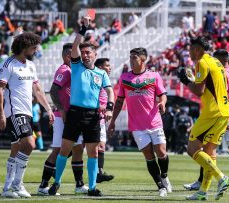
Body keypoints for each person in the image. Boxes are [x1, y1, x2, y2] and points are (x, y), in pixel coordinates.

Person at [48, 16, 114, 197]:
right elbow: (76, 43)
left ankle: (92, 188)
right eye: (82, 52)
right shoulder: (76, 66)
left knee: (92, 153)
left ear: (95, 55)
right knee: (64, 150)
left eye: (88, 53)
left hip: (93, 115)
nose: (85, 55)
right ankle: (57, 183)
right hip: (75, 113)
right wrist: (83, 29)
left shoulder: (101, 73)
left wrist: (109, 108)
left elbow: (110, 92)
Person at [183, 49, 229, 193]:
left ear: (219, 60)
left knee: (206, 150)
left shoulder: (221, 73)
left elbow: (221, 95)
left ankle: (204, 183)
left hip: (222, 116)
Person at [0, 32, 55, 198]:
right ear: (25, 47)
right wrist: (0, 113)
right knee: (29, 143)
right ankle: (17, 184)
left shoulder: (30, 65)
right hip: (14, 112)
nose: (36, 50)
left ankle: (7, 188)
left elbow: (37, 89)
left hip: (27, 112)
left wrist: (48, 109)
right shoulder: (8, 64)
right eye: (34, 47)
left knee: (16, 149)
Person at [108, 47, 172, 197]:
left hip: (154, 122)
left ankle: (164, 176)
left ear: (143, 60)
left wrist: (162, 103)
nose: (131, 60)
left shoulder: (154, 76)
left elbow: (163, 95)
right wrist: (112, 122)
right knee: (149, 156)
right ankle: (160, 187)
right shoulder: (124, 78)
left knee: (161, 152)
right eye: (130, 57)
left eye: (134, 58)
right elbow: (119, 102)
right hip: (137, 126)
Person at [176, 36, 229, 201]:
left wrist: (186, 81)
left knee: (192, 148)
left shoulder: (202, 62)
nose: (189, 53)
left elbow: (199, 91)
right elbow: (212, 86)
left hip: (212, 113)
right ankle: (202, 192)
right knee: (209, 151)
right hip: (224, 111)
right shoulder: (217, 63)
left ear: (197, 49)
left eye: (190, 49)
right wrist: (193, 80)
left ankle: (222, 178)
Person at [37, 43, 89, 195]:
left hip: (74, 117)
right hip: (63, 117)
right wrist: (60, 109)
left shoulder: (73, 70)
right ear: (68, 56)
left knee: (78, 148)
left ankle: (79, 185)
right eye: (75, 55)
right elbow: (53, 90)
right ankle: (43, 186)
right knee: (58, 150)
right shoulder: (64, 70)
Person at [94, 58, 115, 183]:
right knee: (76, 147)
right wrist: (99, 107)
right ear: (100, 68)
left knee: (101, 145)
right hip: (91, 117)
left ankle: (99, 173)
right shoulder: (94, 79)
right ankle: (54, 166)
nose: (110, 68)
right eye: (107, 66)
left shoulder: (105, 80)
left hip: (101, 118)